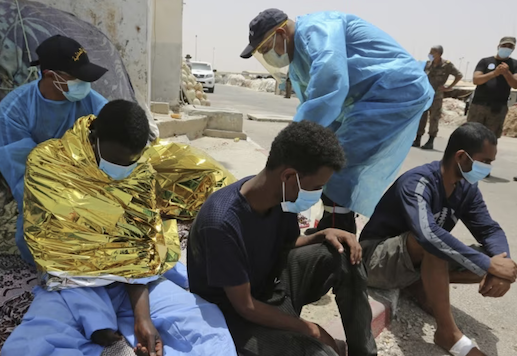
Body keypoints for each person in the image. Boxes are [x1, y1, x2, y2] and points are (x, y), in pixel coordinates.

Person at [2, 100, 237, 356]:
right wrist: (94, 318)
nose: (123, 170)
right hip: (70, 287)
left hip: (135, 285)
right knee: (28, 348)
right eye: (116, 160)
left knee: (208, 328)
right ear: (95, 138)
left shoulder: (139, 172)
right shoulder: (48, 163)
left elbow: (138, 252)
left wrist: (142, 317)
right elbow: (54, 252)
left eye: (130, 162)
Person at [188, 121, 377, 356]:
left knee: (344, 255)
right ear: (289, 176)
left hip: (271, 289)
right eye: (317, 186)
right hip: (235, 319)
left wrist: (321, 235)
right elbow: (245, 306)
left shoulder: (278, 197)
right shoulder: (222, 223)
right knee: (319, 352)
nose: (318, 194)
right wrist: (312, 329)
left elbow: (287, 244)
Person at [240, 9, 433, 233]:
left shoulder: (316, 29)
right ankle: (335, 223)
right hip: (372, 99)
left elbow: (329, 85)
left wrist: (290, 148)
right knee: (330, 157)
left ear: (281, 32)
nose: (268, 56)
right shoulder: (299, 59)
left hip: (394, 91)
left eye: (266, 49)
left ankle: (337, 229)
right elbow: (320, 112)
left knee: (339, 162)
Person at [360, 122, 516, 356]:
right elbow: (428, 234)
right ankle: (447, 333)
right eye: (486, 161)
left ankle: (421, 283)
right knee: (434, 244)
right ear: (462, 157)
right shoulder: (417, 182)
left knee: (484, 255)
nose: (489, 168)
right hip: (375, 261)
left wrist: (501, 266)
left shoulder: (466, 188)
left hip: (412, 262)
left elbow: (489, 229)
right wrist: (488, 265)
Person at [0, 35, 109, 265]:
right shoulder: (12, 114)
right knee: (51, 249)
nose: (85, 84)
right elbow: (29, 181)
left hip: (91, 193)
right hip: (46, 199)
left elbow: (116, 143)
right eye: (77, 78)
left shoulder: (93, 103)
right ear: (50, 76)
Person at [414, 45, 463, 150]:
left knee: (434, 118)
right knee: (422, 117)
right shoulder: (427, 64)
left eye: (433, 52)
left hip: (437, 95)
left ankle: (430, 141)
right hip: (426, 95)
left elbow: (459, 75)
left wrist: (449, 87)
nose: (430, 54)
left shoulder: (447, 65)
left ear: (439, 54)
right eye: (430, 51)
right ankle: (418, 138)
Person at [468, 37, 517, 138]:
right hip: (478, 106)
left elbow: (515, 85)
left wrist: (507, 73)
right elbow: (476, 80)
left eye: (510, 47)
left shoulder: (514, 64)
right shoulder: (485, 61)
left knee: (490, 139)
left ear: (513, 49)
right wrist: (494, 73)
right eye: (504, 46)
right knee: (471, 136)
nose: (506, 48)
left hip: (498, 108)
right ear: (498, 46)